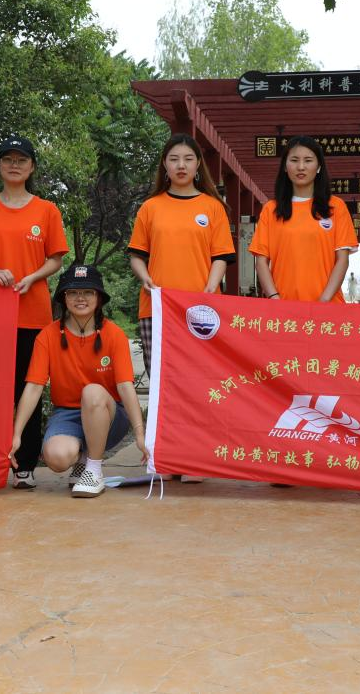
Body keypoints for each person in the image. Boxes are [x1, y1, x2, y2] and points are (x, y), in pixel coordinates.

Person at [0, 136, 68, 489]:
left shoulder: (46, 210)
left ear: (32, 167)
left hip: (33, 314)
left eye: (21, 160)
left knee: (29, 388)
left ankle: (25, 464)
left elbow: (56, 258)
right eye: (7, 159)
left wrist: (32, 277)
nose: (14, 165)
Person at [128, 133, 235, 483]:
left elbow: (221, 256)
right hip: (157, 310)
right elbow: (137, 255)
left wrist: (210, 288)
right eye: (174, 159)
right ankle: (168, 455)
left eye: (188, 159)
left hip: (201, 313)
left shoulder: (212, 207)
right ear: (165, 164)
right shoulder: (151, 207)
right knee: (163, 384)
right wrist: (145, 278)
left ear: (198, 165)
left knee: (199, 383)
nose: (181, 165)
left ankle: (195, 457)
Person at [10, 264, 148, 497]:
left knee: (92, 392)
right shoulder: (47, 336)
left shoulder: (114, 334)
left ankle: (93, 470)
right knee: (56, 457)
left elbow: (125, 386)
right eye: (73, 292)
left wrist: (139, 434)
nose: (80, 298)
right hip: (68, 413)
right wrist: (17, 435)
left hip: (109, 414)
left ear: (99, 298)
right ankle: (82, 460)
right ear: (64, 298)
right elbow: (33, 387)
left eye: (88, 292)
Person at [250, 136, 358, 303]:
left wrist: (324, 301)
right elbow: (261, 261)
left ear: (319, 166)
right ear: (285, 166)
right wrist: (274, 297)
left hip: (327, 307)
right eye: (294, 160)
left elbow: (342, 260)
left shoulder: (336, 207)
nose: (301, 167)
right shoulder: (271, 210)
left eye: (308, 160)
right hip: (284, 308)